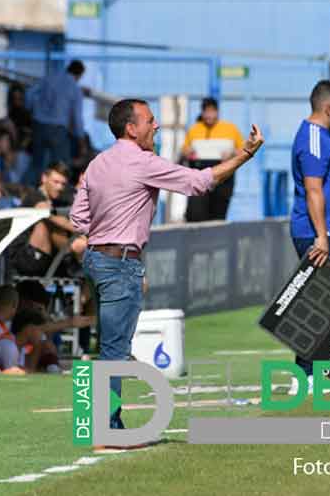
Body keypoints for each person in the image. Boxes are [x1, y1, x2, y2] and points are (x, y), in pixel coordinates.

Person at [70, 98, 264, 434]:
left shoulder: (97, 164)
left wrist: (107, 236)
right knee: (114, 351)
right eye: (149, 120)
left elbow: (78, 218)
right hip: (119, 262)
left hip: (97, 260)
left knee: (108, 347)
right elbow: (199, 182)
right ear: (131, 128)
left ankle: (102, 423)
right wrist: (245, 155)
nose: (156, 126)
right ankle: (106, 426)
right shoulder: (143, 162)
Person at [287, 80, 330, 396]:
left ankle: (314, 371)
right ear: (329, 107)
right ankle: (303, 375)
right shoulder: (313, 139)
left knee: (326, 301)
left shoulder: (327, 138)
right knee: (315, 300)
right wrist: (321, 235)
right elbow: (313, 190)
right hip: (318, 232)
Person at [181, 98, 245, 221]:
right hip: (199, 171)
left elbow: (242, 151)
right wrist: (188, 152)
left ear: (217, 112)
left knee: (218, 214)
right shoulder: (194, 129)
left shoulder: (230, 129)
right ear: (202, 112)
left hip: (223, 174)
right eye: (206, 111)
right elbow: (184, 150)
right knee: (196, 213)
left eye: (212, 111)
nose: (209, 115)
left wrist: (231, 153)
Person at [25, 60, 86, 185]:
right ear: (80, 75)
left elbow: (29, 93)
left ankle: (28, 191)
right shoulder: (75, 88)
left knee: (37, 163)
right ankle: (60, 194)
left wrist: (31, 109)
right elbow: (77, 117)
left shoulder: (49, 78)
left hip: (39, 124)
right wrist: (81, 139)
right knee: (61, 165)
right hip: (58, 129)